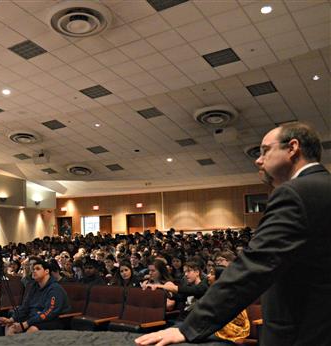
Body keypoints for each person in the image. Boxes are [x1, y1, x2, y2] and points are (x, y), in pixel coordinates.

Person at [136, 122, 331, 345]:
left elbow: (253, 267)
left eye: (265, 150)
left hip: (302, 333)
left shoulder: (294, 193)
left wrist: (189, 328)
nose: (258, 160)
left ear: (292, 147)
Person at [0, 260, 70, 335]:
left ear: (46, 271)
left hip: (53, 320)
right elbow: (25, 306)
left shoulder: (55, 289)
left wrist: (26, 324)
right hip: (34, 318)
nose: (34, 271)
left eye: (37, 269)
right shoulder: (33, 287)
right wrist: (11, 319)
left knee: (33, 329)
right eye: (33, 269)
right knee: (10, 326)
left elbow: (49, 313)